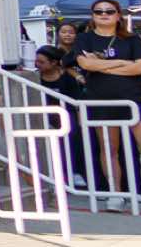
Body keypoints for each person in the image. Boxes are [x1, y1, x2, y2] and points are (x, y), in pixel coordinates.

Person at [73, 0, 141, 211]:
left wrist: (101, 65)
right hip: (101, 100)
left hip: (133, 98)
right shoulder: (85, 39)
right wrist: (123, 63)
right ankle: (115, 193)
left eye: (109, 11)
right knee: (109, 148)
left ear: (118, 15)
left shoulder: (132, 39)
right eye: (98, 11)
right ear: (93, 15)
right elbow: (85, 64)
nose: (104, 14)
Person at [33, 45, 97, 194]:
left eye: (41, 62)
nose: (37, 64)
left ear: (54, 62)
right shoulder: (34, 78)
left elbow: (76, 101)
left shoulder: (68, 78)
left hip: (66, 115)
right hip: (44, 115)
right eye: (36, 61)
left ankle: (73, 172)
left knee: (72, 135)